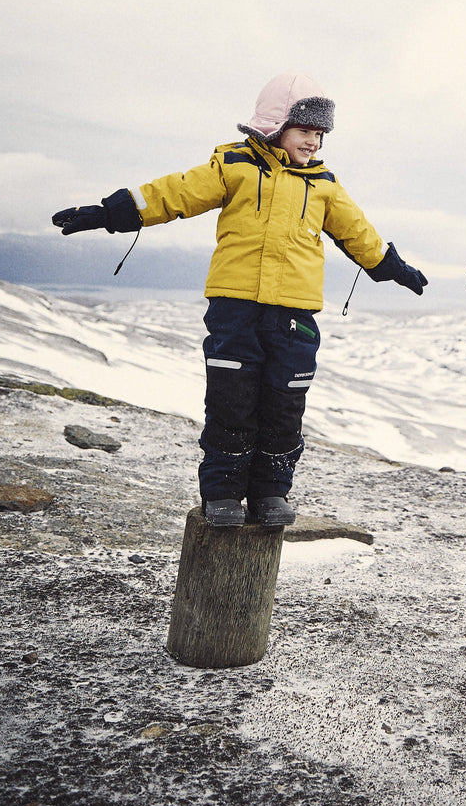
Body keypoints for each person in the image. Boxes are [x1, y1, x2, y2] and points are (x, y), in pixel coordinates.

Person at [52, 72, 427, 528]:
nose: (313, 142)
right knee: (232, 400)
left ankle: (271, 491)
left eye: (319, 134)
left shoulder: (325, 183)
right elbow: (175, 193)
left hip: (294, 314)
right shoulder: (234, 165)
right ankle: (223, 492)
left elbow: (358, 232)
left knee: (285, 403)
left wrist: (391, 265)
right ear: (276, 124)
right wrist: (111, 212)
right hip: (235, 309)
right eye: (305, 130)